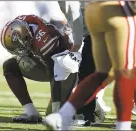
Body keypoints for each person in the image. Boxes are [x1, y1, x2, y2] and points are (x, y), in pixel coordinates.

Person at [44, 1, 136, 130]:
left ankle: (63, 115)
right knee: (126, 71)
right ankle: (123, 126)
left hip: (93, 11)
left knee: (101, 74)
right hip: (118, 10)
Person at [0, 14, 81, 123]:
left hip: (69, 70)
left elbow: (55, 72)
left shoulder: (44, 39)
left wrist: (57, 109)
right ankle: (30, 112)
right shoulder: (20, 25)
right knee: (10, 65)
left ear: (27, 35)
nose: (20, 51)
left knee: (53, 113)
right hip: (51, 64)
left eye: (21, 46)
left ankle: (89, 106)